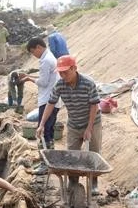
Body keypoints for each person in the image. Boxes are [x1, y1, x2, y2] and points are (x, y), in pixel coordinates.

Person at [36, 55, 102, 196]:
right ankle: (73, 181)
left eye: (65, 72)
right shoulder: (60, 85)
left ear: (74, 68)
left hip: (92, 122)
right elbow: (50, 103)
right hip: (73, 124)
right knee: (72, 156)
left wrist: (89, 128)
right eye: (60, 72)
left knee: (93, 154)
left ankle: (94, 182)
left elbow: (94, 105)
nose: (62, 75)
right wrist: (41, 124)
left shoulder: (88, 83)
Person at [20, 37, 62, 173]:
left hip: (47, 100)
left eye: (33, 52)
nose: (34, 55)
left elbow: (43, 82)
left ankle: (46, 164)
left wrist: (29, 79)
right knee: (48, 131)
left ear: (38, 47)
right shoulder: (51, 57)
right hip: (53, 100)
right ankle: (51, 161)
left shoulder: (45, 61)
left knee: (43, 131)